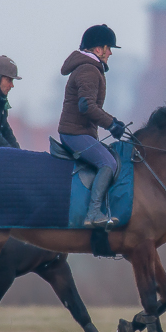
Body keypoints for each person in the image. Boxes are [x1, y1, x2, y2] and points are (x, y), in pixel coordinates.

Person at [58, 24, 127, 228]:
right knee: (108, 163)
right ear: (99, 49)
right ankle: (94, 213)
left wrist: (113, 122)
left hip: (80, 132)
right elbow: (87, 106)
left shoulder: (90, 68)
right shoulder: (89, 69)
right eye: (109, 48)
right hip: (74, 134)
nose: (111, 53)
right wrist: (112, 124)